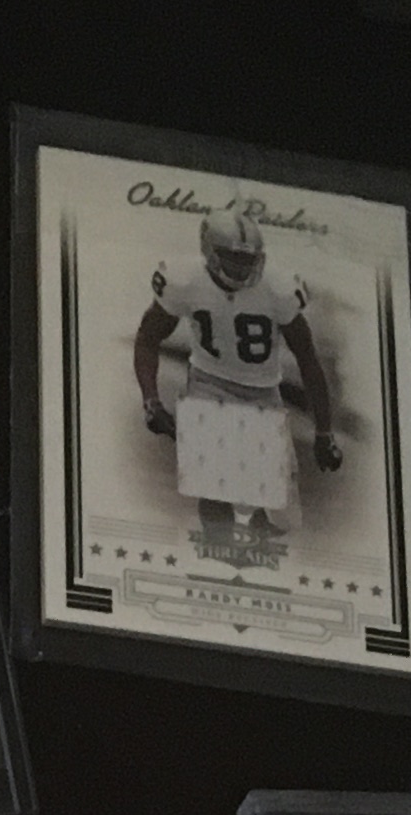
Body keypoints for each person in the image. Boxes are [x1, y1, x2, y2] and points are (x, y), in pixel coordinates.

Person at [132, 206, 339, 568]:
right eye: (233, 258)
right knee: (214, 485)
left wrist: (324, 432)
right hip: (208, 382)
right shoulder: (185, 280)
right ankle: (217, 556)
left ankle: (253, 548)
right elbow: (148, 339)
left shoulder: (278, 288)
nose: (242, 268)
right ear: (209, 252)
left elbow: (308, 359)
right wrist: (151, 401)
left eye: (248, 260)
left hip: (263, 391)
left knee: (283, 516)